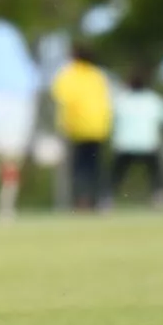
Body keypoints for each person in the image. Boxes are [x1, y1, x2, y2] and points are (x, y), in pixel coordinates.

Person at [108, 66, 163, 208]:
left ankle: (106, 200)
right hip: (147, 145)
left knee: (116, 175)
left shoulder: (121, 100)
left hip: (125, 145)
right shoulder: (152, 100)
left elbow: (106, 116)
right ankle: (160, 197)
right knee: (157, 172)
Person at [50, 47, 112, 210]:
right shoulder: (97, 75)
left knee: (78, 167)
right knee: (95, 166)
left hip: (76, 127)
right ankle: (101, 201)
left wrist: (63, 123)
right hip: (98, 127)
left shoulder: (69, 75)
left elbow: (61, 98)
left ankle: (81, 201)